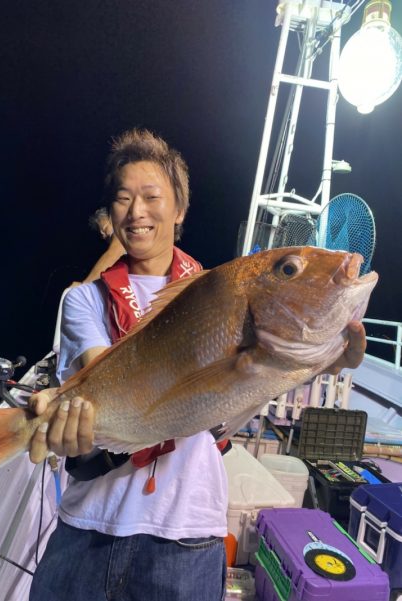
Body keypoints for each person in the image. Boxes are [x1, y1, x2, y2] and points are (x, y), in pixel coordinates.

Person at [28, 128, 368, 601]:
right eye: (123, 199)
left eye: (151, 196)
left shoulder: (214, 292)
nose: (137, 211)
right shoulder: (85, 299)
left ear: (180, 209)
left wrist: (317, 362)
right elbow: (107, 376)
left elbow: (229, 409)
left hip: (186, 536)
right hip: (89, 529)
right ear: (110, 214)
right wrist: (65, 416)